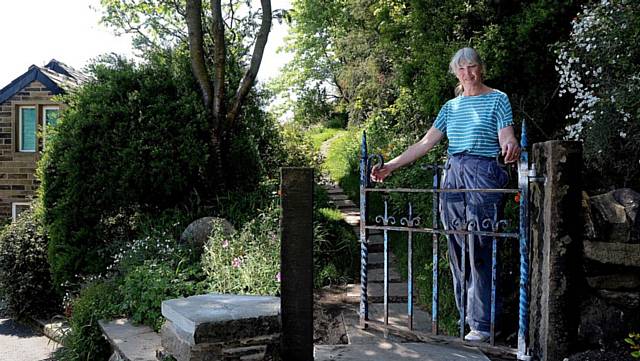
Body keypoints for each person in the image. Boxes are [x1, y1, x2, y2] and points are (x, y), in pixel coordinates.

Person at [370, 47, 520, 342]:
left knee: (480, 247)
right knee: (458, 249)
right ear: (455, 73)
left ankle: (483, 323)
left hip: (484, 172)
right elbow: (425, 143)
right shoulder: (450, 108)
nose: (468, 74)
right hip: (453, 174)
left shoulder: (498, 99)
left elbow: (506, 135)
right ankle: (468, 318)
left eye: (472, 67)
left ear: (481, 68)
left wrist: (511, 143)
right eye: (461, 69)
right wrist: (391, 166)